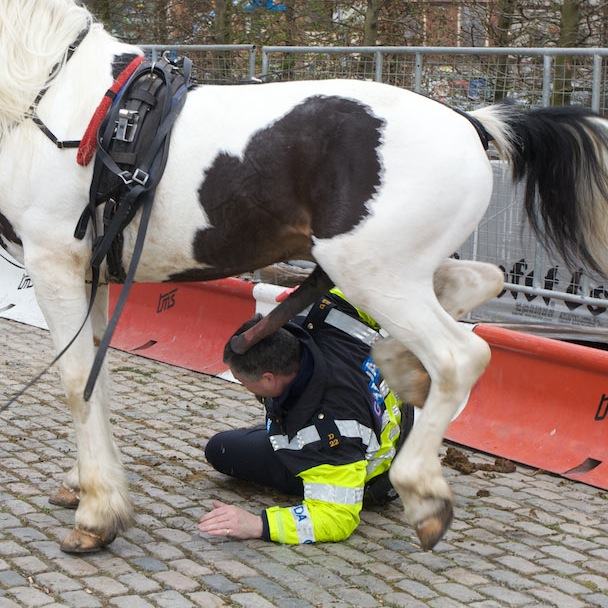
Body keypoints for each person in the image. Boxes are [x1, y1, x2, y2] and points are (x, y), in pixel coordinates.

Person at [198, 289, 414, 544]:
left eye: (243, 382)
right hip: (402, 419)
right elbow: (370, 286)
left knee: (222, 449)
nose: (244, 387)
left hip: (378, 472)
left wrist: (258, 525)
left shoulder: (327, 433)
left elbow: (335, 517)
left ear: (269, 378)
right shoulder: (321, 311)